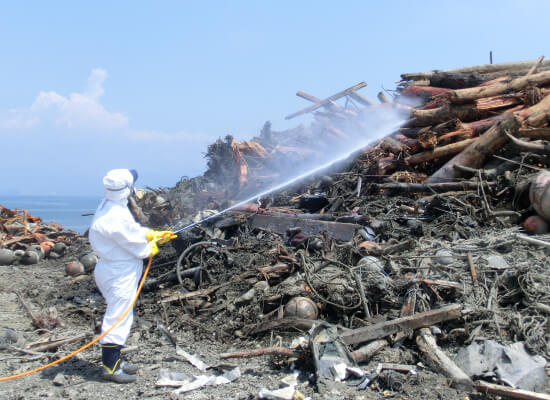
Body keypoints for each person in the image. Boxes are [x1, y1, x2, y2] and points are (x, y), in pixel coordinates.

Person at [89, 169, 176, 383]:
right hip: (119, 273)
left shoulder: (110, 205)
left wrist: (149, 233)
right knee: (118, 317)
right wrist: (151, 246)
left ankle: (116, 361)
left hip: (114, 268)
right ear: (127, 189)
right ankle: (110, 367)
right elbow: (134, 244)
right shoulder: (114, 217)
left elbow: (129, 231)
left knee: (122, 315)